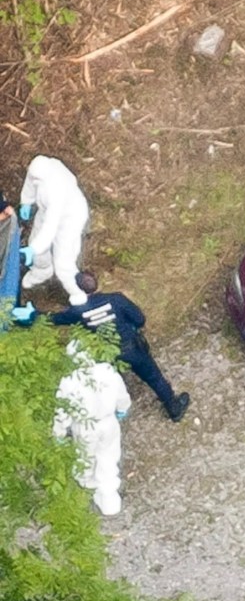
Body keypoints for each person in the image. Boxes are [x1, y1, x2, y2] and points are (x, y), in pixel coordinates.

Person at [50, 271, 191, 422]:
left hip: (107, 355)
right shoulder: (116, 299)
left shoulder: (79, 311)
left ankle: (112, 409)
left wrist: (32, 316)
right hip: (133, 348)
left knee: (111, 381)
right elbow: (140, 319)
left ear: (79, 288)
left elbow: (56, 319)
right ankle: (173, 408)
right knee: (154, 377)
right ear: (97, 282)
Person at [53, 341, 132, 516]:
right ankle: (109, 497)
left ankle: (87, 484)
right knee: (109, 455)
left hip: (84, 426)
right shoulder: (107, 370)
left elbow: (62, 410)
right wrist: (122, 409)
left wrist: (59, 432)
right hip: (109, 422)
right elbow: (121, 394)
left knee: (85, 456)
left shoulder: (68, 381)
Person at [18, 155, 90, 305]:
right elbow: (30, 182)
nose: (34, 179)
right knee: (35, 239)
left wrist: (34, 249)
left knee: (63, 260)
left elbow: (50, 226)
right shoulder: (42, 168)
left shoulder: (56, 190)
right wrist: (26, 201)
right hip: (45, 210)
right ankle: (42, 270)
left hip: (70, 218)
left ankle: (77, 293)